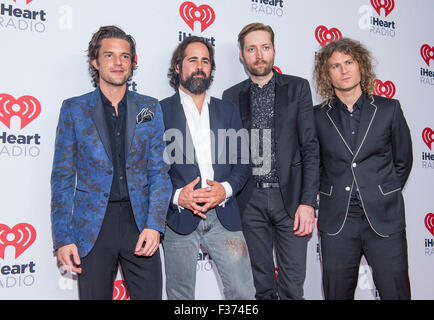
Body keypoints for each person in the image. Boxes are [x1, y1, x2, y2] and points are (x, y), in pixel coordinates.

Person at [50, 25, 171, 300]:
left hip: (140, 224)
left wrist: (155, 225)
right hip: (93, 228)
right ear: (95, 61)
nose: (118, 63)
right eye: (109, 55)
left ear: (132, 62)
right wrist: (63, 238)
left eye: (125, 56)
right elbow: (62, 179)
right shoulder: (74, 109)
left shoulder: (149, 108)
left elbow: (159, 172)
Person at [222, 23, 320, 300]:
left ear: (274, 50)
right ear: (242, 55)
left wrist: (308, 202)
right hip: (249, 201)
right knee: (262, 287)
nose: (259, 55)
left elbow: (310, 148)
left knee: (292, 287)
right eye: (251, 49)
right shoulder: (231, 96)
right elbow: (230, 153)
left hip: (290, 201)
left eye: (265, 47)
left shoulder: (298, 88)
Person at [312, 37, 412, 300]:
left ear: (361, 66)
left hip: (384, 217)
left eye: (349, 62)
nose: (344, 70)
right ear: (326, 74)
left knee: (396, 292)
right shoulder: (317, 116)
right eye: (335, 66)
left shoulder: (389, 109)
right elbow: (314, 165)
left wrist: (381, 190)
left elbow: (403, 160)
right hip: (338, 222)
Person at [160, 36, 255, 300]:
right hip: (178, 218)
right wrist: (179, 197)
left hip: (224, 214)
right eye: (192, 60)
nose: (200, 66)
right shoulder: (159, 112)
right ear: (178, 67)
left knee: (243, 292)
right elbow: (150, 172)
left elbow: (243, 163)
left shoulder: (228, 110)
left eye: (205, 61)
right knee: (180, 295)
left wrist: (223, 190)